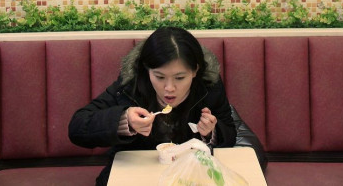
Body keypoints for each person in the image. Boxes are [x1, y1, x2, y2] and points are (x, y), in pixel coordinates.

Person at [68, 26, 237, 185]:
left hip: (189, 175)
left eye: (179, 78)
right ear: (147, 70)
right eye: (159, 77)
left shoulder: (208, 87)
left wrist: (211, 133)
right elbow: (77, 127)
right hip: (135, 175)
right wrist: (123, 121)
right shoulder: (130, 86)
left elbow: (230, 134)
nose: (169, 88)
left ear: (195, 71)